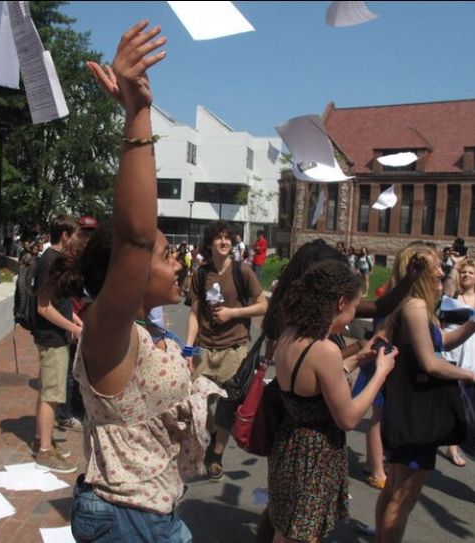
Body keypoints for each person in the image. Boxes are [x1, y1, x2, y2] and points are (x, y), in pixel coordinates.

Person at [65, 22, 223, 541]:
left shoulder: (146, 331)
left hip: (153, 513)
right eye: (164, 254)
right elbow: (134, 237)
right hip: (126, 520)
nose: (177, 261)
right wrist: (137, 111)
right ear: (126, 275)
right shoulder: (108, 334)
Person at [375, 244, 475, 542]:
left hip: (411, 406)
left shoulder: (415, 305)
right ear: (419, 271)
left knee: (395, 486)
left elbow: (442, 340)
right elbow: (431, 363)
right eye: (435, 266)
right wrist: (470, 374)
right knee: (404, 495)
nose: (442, 271)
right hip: (418, 411)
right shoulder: (416, 306)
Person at [268, 260, 397, 543]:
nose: (352, 317)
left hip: (290, 445)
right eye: (354, 307)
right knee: (305, 535)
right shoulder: (324, 349)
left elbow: (313, 383)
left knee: (287, 529)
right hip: (314, 454)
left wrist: (357, 359)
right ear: (340, 303)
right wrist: (381, 373)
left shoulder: (290, 334)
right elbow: (348, 418)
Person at [185, 220, 268, 481]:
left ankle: (216, 455)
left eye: (227, 238)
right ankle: (210, 436)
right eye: (218, 238)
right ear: (209, 243)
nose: (224, 242)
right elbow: (194, 314)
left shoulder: (242, 272)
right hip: (206, 350)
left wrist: (233, 312)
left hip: (234, 349)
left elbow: (262, 305)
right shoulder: (200, 274)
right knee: (197, 403)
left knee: (229, 406)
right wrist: (188, 349)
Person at [32, 215, 83, 473]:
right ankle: (44, 450)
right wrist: (73, 327)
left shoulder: (55, 260)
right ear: (65, 235)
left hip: (57, 336)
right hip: (52, 339)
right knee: (51, 395)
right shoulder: (49, 262)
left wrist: (73, 318)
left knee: (49, 393)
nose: (78, 240)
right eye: (75, 235)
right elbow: (43, 307)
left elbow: (57, 303)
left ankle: (45, 441)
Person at [440, 258, 475, 467]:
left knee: (470, 395)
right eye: (464, 272)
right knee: (454, 394)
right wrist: (455, 266)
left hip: (474, 348)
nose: (466, 275)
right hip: (455, 347)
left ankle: (464, 437)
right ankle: (452, 444)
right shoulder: (454, 296)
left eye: (470, 272)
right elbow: (444, 302)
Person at [55, 216, 99, 433]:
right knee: (69, 371)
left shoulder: (92, 259)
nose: (87, 237)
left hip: (87, 321)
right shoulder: (66, 259)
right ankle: (66, 414)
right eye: (84, 232)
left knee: (81, 370)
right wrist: (71, 317)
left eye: (91, 233)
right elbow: (59, 293)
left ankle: (79, 411)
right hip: (71, 320)